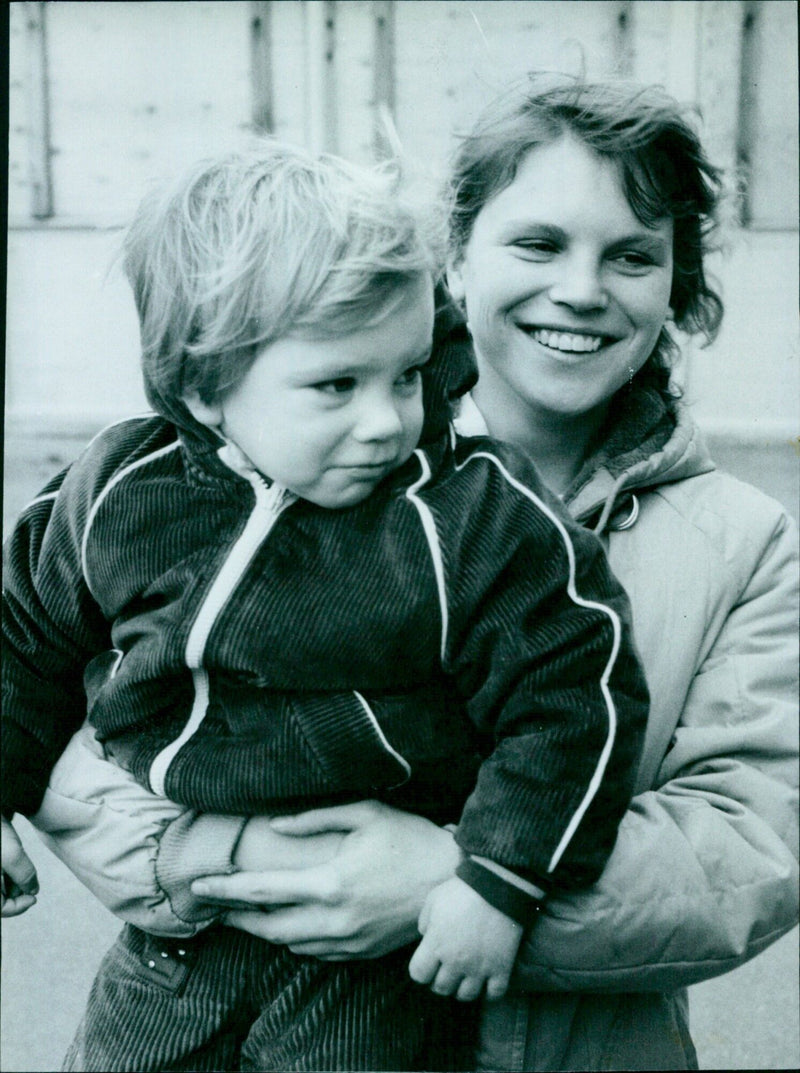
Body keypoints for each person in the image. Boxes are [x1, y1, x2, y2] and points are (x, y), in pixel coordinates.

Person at [35, 74, 796, 1072]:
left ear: (673, 284)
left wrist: (461, 878)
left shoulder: (746, 542)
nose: (579, 287)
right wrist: (233, 859)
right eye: (536, 241)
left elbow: (748, 850)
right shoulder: (277, 458)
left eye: (630, 256)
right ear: (457, 254)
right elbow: (74, 706)